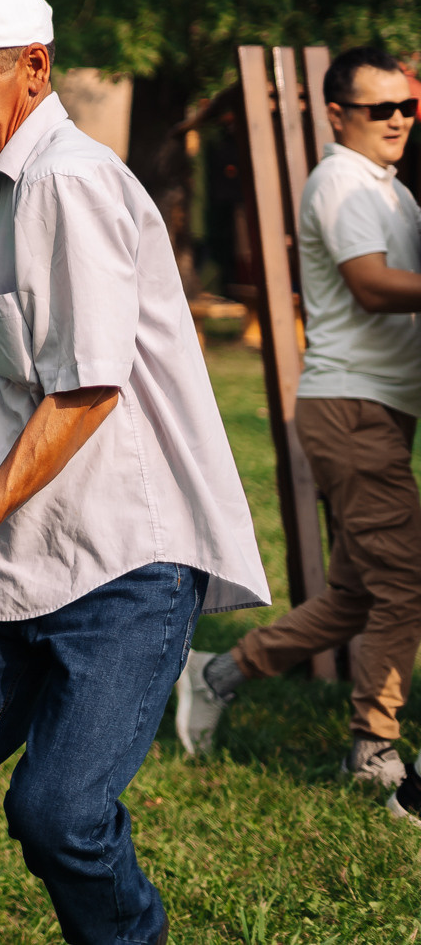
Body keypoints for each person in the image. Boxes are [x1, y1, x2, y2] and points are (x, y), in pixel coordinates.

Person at [0, 0, 269, 945]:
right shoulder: (6, 187)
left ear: (33, 67)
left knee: (57, 817)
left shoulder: (66, 182)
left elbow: (84, 385)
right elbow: (13, 352)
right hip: (2, 571)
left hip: (117, 566)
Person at [178, 46, 421, 802]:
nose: (397, 120)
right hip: (352, 409)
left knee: (358, 593)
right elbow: (373, 285)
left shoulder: (386, 187)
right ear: (337, 113)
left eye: (406, 106)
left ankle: (217, 672)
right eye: (379, 109)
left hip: (374, 405)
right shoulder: (344, 184)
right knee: (407, 583)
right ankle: (373, 750)